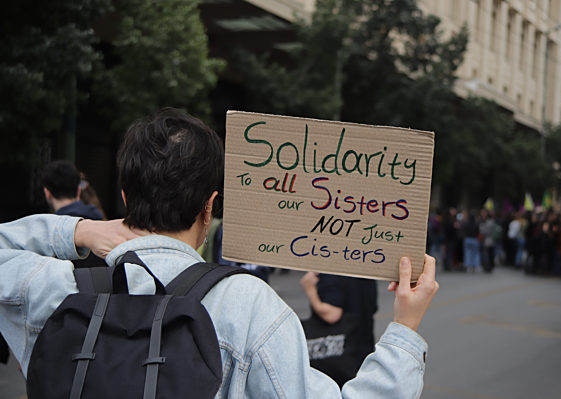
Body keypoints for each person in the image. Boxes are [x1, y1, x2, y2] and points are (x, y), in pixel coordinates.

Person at [0, 108, 439, 397]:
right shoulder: (247, 305)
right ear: (209, 208)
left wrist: (79, 231)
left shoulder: (56, 289)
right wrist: (404, 328)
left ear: (123, 195)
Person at [300, 272, 377, 386]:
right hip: (363, 350)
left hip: (340, 359)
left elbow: (331, 314)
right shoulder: (366, 272)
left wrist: (310, 289)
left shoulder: (331, 273)